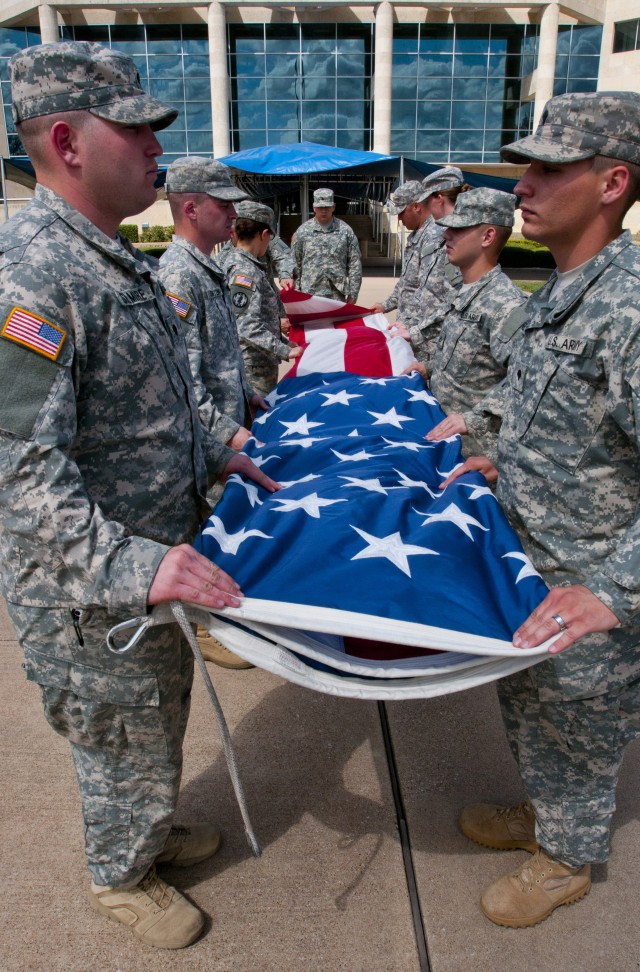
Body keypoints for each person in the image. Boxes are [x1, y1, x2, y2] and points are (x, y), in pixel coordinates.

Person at [0, 41, 279, 949]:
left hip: (150, 562)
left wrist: (216, 445)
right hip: (92, 587)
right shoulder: (30, 272)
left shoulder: (113, 257)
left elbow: (147, 396)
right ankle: (120, 872)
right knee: (120, 734)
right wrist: (141, 563)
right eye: (138, 129)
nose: (159, 148)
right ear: (71, 142)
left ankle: (146, 827)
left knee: (153, 721)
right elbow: (18, 474)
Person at [445, 91, 640, 928]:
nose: (523, 184)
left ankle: (567, 855)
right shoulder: (566, 289)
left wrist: (617, 589)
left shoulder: (627, 309)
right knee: (533, 710)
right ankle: (545, 813)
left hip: (590, 580)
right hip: (532, 563)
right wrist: (500, 458)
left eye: (549, 168)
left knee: (580, 729)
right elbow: (564, 420)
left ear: (612, 183)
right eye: (525, 165)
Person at [158, 156, 266, 670]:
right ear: (191, 207)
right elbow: (186, 382)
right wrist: (230, 437)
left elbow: (222, 353)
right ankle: (206, 625)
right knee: (210, 533)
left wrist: (248, 393)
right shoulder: (179, 274)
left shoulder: (209, 266)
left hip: (228, 427)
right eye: (222, 205)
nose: (232, 215)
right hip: (211, 442)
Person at [408, 187, 527, 460]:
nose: (446, 234)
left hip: (473, 455)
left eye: (458, 229)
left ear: (488, 236)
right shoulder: (464, 292)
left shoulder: (506, 305)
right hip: (441, 440)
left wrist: (474, 419)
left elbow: (527, 379)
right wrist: (429, 367)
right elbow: (466, 360)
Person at [385, 168, 470, 370]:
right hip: (421, 333)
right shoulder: (435, 235)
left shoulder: (442, 236)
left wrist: (414, 330)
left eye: (427, 200)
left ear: (439, 198)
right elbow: (417, 286)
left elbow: (454, 299)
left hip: (435, 340)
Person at [225, 200, 302, 396]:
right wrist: (284, 350)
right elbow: (246, 326)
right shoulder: (244, 271)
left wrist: (283, 341)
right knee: (256, 421)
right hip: (253, 366)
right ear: (264, 234)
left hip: (258, 361)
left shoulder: (245, 264)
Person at [291, 188, 362, 303]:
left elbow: (355, 265)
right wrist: (297, 293)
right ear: (314, 207)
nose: (323, 211)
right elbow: (295, 264)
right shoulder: (302, 232)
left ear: (333, 207)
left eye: (327, 207)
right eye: (320, 207)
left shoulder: (345, 231)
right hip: (309, 295)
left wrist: (353, 294)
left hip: (336, 295)